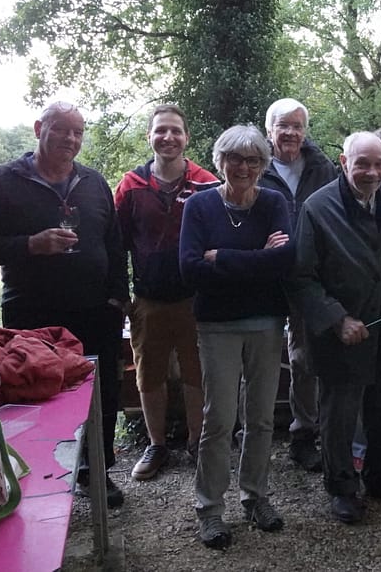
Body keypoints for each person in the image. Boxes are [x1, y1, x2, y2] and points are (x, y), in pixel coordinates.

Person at [0, 101, 129, 509]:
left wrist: (118, 295)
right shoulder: (1, 183)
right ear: (39, 128)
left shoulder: (93, 182)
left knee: (102, 394)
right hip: (32, 314)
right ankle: (38, 477)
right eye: (62, 130)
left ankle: (96, 472)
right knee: (35, 394)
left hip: (95, 311)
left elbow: (113, 241)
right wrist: (30, 245)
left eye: (78, 133)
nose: (71, 140)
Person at [288, 132, 381, 524]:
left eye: (378, 163)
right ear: (344, 163)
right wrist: (336, 319)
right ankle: (343, 488)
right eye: (362, 164)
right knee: (340, 416)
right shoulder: (318, 208)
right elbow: (300, 278)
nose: (371, 172)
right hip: (342, 337)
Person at [179, 125, 294, 548]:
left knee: (262, 418)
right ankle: (209, 509)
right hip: (217, 325)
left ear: (263, 166)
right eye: (234, 159)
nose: (243, 167)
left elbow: (284, 260)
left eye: (252, 160)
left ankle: (255, 496)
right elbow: (190, 269)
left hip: (266, 322)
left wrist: (222, 259)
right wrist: (257, 259)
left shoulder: (274, 202)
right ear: (220, 161)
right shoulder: (200, 207)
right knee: (220, 418)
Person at [114, 104, 220, 480]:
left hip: (196, 298)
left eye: (176, 130)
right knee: (149, 375)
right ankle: (157, 445)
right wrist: (119, 294)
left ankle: (197, 443)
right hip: (148, 298)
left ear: (187, 137)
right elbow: (116, 243)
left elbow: (219, 238)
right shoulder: (131, 185)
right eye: (161, 130)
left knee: (197, 374)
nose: (168, 137)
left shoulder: (207, 182)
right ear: (150, 136)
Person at [258, 98, 339, 473]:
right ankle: (252, 435)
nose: (290, 133)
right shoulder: (254, 165)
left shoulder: (322, 167)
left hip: (311, 274)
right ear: (269, 130)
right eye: (282, 125)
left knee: (307, 357)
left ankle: (307, 433)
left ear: (305, 131)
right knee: (256, 357)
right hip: (264, 274)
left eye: (296, 126)